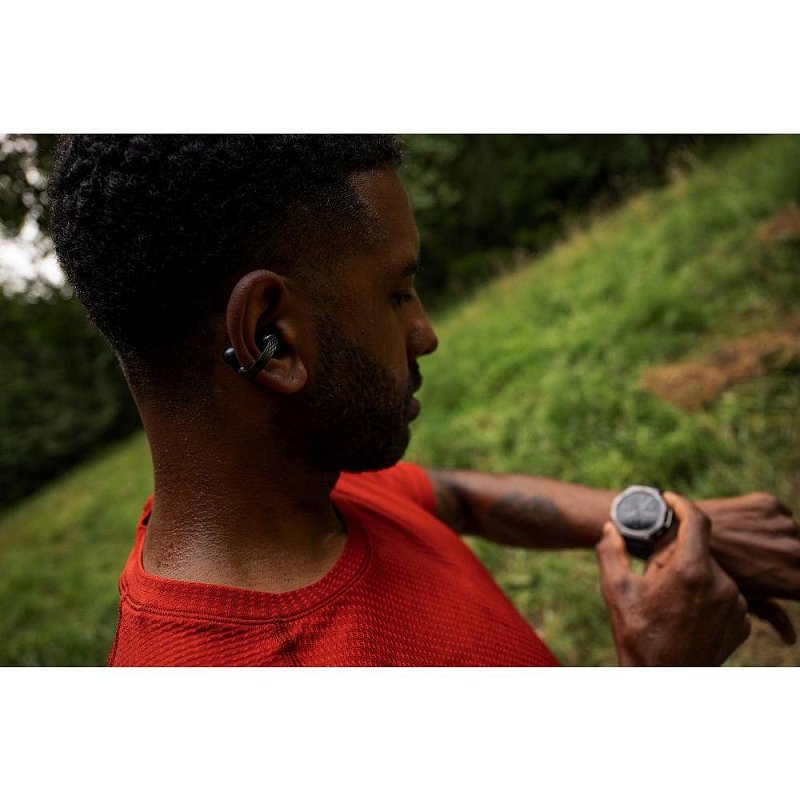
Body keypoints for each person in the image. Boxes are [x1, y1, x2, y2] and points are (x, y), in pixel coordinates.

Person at [48, 135, 800, 666]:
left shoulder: (312, 491)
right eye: (398, 292)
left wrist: (661, 521)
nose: (426, 333)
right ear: (269, 337)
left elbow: (459, 497)